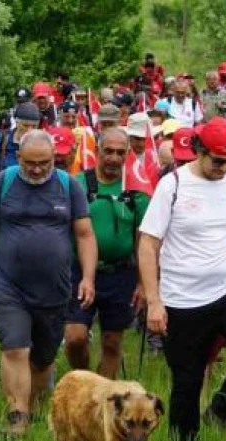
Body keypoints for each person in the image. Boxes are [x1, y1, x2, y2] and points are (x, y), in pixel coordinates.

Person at [139, 118, 226, 441]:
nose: (224, 168)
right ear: (199, 151)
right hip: (182, 300)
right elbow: (148, 243)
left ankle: (221, 410)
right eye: (218, 160)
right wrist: (154, 301)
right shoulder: (174, 186)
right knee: (187, 381)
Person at [0, 130, 97, 438]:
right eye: (30, 163)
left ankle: (33, 409)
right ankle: (17, 417)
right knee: (15, 347)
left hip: (54, 289)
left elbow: (85, 235)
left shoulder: (68, 186)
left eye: (44, 163)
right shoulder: (3, 183)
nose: (37, 169)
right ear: (19, 157)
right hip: (8, 284)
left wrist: (87, 278)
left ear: (54, 159)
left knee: (43, 357)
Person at [64, 128, 150, 379]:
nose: (113, 158)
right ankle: (83, 381)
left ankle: (102, 396)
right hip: (79, 272)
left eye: (120, 153)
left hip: (121, 273)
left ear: (128, 155)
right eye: (108, 151)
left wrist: (143, 284)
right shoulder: (77, 183)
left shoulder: (135, 190)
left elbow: (143, 239)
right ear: (98, 150)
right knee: (75, 337)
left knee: (112, 341)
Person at [0, 102, 41, 197]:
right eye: (25, 125)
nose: (29, 131)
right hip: (4, 199)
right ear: (17, 123)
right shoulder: (0, 140)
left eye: (34, 126)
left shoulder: (42, 144)